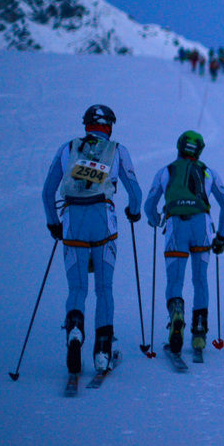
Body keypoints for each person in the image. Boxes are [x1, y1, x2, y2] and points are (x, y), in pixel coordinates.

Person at [41, 104, 143, 374]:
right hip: (103, 219)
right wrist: (134, 212)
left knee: (77, 289)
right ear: (109, 126)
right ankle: (102, 352)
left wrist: (54, 223)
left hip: (73, 218)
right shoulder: (118, 150)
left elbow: (47, 192)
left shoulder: (68, 148)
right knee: (103, 288)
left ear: (87, 124)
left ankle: (75, 331)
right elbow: (135, 192)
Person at [144, 131, 224, 358]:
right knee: (200, 279)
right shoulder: (208, 171)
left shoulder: (165, 171)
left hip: (175, 226)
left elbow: (149, 204)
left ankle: (176, 314)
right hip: (201, 225)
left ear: (179, 146)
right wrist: (220, 237)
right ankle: (200, 332)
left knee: (175, 280)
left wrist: (154, 220)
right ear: (200, 150)